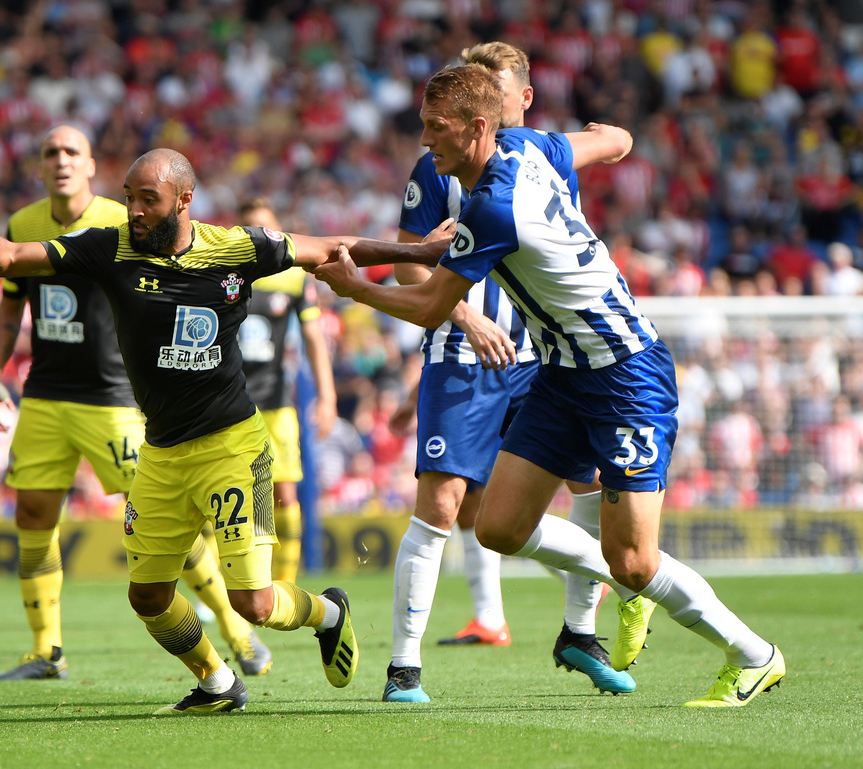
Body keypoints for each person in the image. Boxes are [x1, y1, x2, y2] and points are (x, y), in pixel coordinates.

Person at [317, 64, 784, 708]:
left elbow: (429, 305)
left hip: (624, 375)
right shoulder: (531, 146)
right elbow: (603, 144)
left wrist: (354, 287)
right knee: (499, 528)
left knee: (635, 563)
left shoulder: (494, 206)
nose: (425, 140)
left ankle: (753, 654)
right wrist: (613, 137)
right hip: (562, 373)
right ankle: (600, 592)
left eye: (436, 128)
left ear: (477, 127)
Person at [0, 147, 447, 714]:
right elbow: (7, 258)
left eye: (147, 199)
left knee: (255, 605)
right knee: (148, 597)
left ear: (184, 200)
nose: (134, 210)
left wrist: (419, 251)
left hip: (236, 448)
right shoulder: (109, 247)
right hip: (161, 453)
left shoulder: (237, 247)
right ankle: (217, 681)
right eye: (129, 197)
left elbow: (334, 248)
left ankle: (329, 613)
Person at [383, 42, 634, 703]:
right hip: (464, 352)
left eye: (495, 86)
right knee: (443, 504)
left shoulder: (546, 154)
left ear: (520, 98)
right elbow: (409, 262)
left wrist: (613, 137)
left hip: (542, 355)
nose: (486, 96)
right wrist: (465, 315)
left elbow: (614, 144)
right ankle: (403, 669)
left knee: (588, 481)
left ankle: (581, 630)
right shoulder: (438, 163)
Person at [0, 126, 266, 682]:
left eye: (72, 152)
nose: (60, 160)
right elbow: (11, 303)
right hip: (45, 392)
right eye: (49, 152)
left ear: (91, 166)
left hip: (113, 397)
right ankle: (46, 651)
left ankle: (239, 633)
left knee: (167, 523)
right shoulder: (23, 225)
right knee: (32, 513)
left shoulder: (125, 220)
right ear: (39, 167)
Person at [237, 198, 337, 584]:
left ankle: (285, 585)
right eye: (250, 229)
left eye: (265, 229)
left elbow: (314, 338)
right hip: (225, 403)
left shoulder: (293, 277)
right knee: (223, 493)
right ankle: (222, 589)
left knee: (284, 495)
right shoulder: (222, 272)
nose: (258, 237)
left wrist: (327, 396)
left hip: (276, 402)